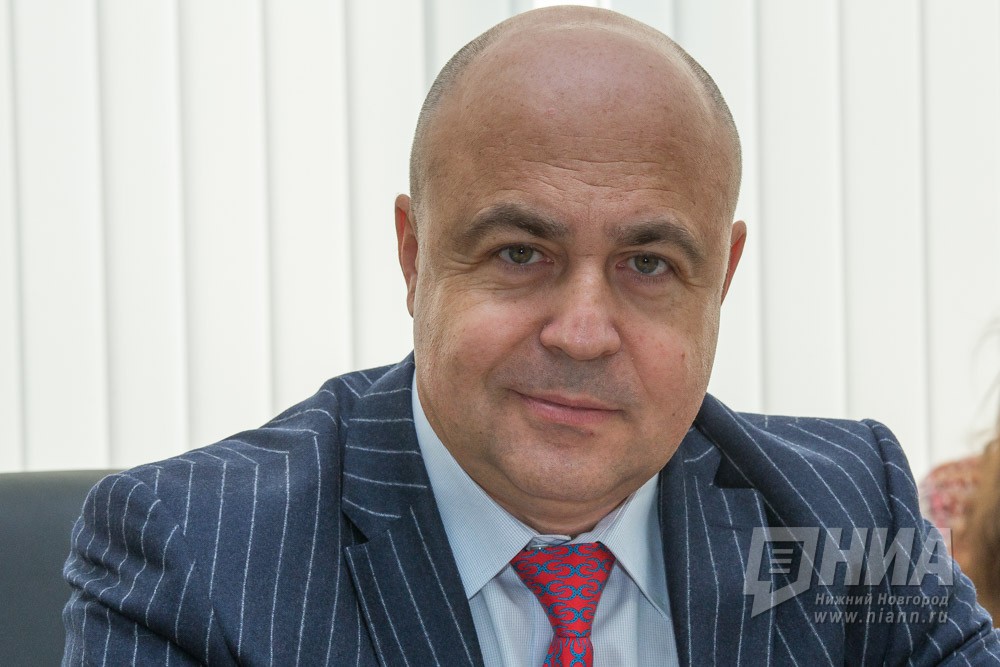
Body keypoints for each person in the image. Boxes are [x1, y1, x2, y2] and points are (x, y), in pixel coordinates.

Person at [62, 6, 999, 665]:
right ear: (414, 255)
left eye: (648, 264)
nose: (583, 333)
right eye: (520, 253)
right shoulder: (194, 553)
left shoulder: (847, 511)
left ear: (723, 276)